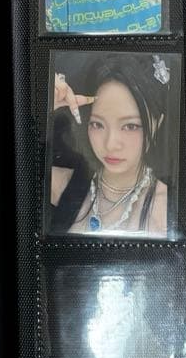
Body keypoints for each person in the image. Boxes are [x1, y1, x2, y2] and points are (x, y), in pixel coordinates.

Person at [48, 54, 170, 237]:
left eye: (130, 126)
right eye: (97, 124)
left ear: (157, 124)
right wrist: (47, 103)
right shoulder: (61, 184)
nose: (110, 144)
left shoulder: (166, 209)